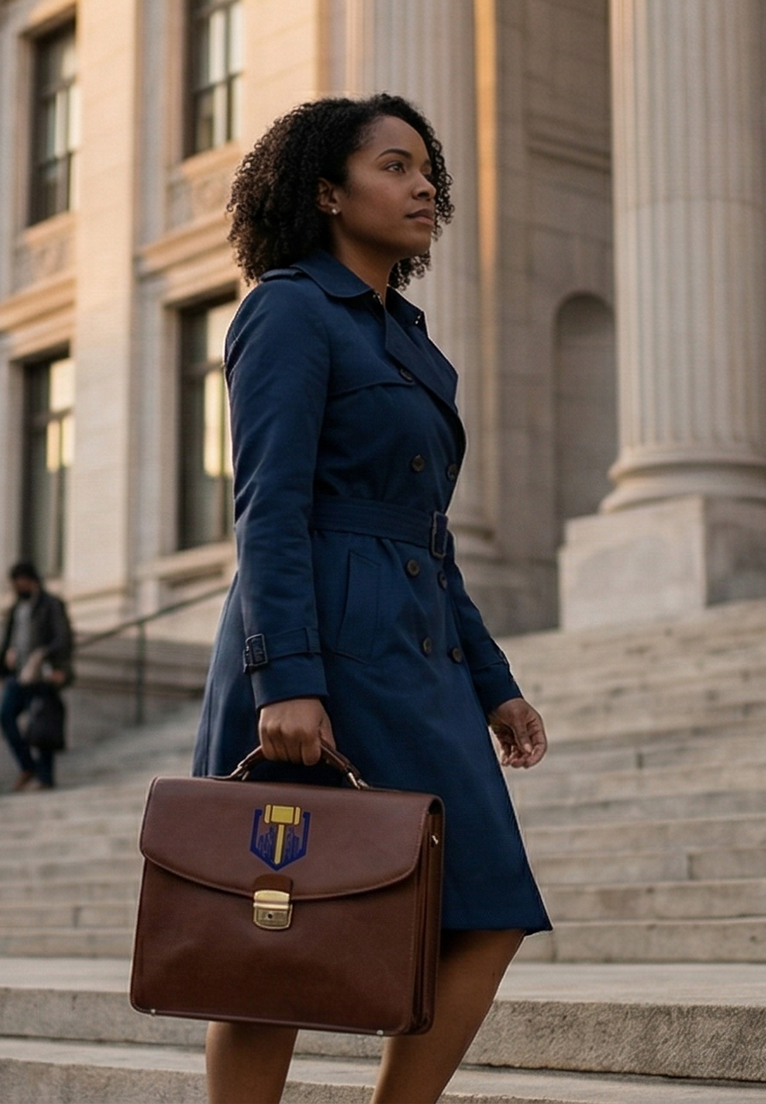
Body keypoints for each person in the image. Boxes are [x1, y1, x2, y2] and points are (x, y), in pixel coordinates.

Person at [191, 94, 551, 1103]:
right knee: (269, 932)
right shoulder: (289, 308)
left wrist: (495, 685)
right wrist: (286, 679)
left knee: (487, 904)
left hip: (418, 654)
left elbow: (429, 538)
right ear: (327, 191)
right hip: (318, 648)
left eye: (425, 165)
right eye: (394, 165)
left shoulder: (415, 342)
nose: (424, 182)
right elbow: (267, 504)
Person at [0, 562, 74, 791]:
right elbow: (7, 641)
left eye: (21, 581)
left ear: (32, 580)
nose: (18, 586)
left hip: (42, 675)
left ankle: (45, 777)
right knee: (5, 716)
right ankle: (28, 766)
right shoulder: (15, 609)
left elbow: (63, 638)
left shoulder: (51, 604)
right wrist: (2, 666)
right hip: (18, 676)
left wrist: (57, 666)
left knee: (41, 724)